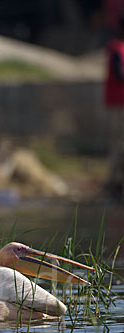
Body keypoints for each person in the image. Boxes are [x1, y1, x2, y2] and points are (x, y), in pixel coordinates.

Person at [104, 11, 124, 201]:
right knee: (118, 143)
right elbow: (119, 74)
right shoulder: (116, 48)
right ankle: (116, 181)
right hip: (118, 103)